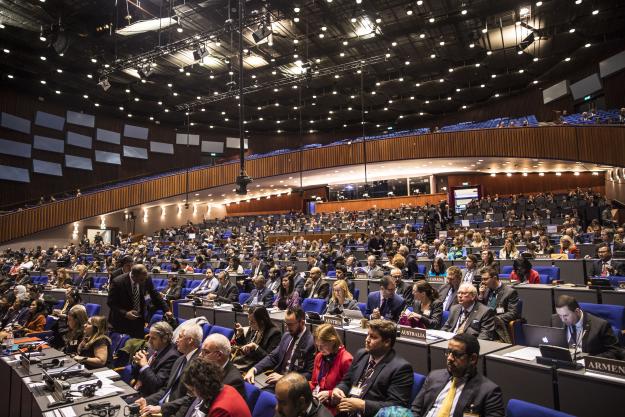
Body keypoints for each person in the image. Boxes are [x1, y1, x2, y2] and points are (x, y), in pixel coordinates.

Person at [331, 320, 414, 417]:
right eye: (368, 335)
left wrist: (363, 405)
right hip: (346, 412)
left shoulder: (401, 368)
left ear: (387, 342)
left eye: (373, 337)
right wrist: (339, 389)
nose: (367, 339)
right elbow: (346, 381)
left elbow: (396, 407)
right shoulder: (361, 354)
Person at [411, 333, 505, 417]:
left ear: (473, 359)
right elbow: (416, 409)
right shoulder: (434, 376)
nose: (450, 358)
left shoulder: (489, 392)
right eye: (448, 352)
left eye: (457, 354)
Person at [136, 321, 203, 417]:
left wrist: (161, 409)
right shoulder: (180, 360)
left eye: (180, 337)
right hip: (160, 406)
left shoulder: (199, 364)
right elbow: (166, 390)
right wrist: (147, 400)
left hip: (173, 412)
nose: (176, 340)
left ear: (190, 340)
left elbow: (190, 398)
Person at [244, 306, 316, 387]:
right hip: (276, 379)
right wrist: (253, 369)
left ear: (302, 323)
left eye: (290, 325)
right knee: (248, 385)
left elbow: (310, 374)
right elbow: (272, 357)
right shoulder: (286, 336)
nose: (287, 328)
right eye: (286, 323)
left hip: (293, 386)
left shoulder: (311, 343)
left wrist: (284, 378)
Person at [107, 263, 171, 339]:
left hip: (138, 320)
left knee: (138, 343)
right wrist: (125, 313)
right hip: (121, 321)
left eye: (145, 279)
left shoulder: (146, 278)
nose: (144, 281)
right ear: (133, 275)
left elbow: (155, 294)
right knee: (124, 346)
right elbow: (111, 303)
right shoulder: (118, 282)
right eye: (141, 280)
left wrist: (166, 310)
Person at [552, 295, 624, 359]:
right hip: (564, 363)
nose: (562, 320)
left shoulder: (601, 325)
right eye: (559, 315)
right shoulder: (555, 321)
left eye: (565, 315)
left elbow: (616, 351)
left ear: (577, 311)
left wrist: (590, 360)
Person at [180, 358, 251, 417]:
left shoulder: (220, 409)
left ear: (201, 387)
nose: (193, 394)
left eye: (192, 390)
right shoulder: (226, 387)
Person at [309, 324, 353, 415]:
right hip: (318, 403)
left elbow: (349, 389)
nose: (319, 349)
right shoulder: (319, 357)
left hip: (336, 409)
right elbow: (314, 383)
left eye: (322, 345)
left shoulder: (346, 360)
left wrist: (329, 393)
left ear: (333, 341)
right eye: (317, 345)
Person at [131, 321, 180, 397]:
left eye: (153, 338)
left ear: (165, 339)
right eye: (149, 337)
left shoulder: (172, 356)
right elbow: (135, 374)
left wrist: (144, 366)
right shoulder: (152, 348)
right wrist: (137, 362)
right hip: (136, 389)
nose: (149, 341)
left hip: (148, 397)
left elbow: (156, 386)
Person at [232, 306, 281, 371]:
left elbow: (270, 358)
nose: (250, 323)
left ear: (262, 321)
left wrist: (256, 347)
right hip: (247, 361)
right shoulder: (254, 328)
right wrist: (241, 334)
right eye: (249, 320)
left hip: (258, 366)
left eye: (253, 321)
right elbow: (245, 346)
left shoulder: (275, 333)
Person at [477, 268, 519, 343]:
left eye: (485, 279)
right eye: (482, 279)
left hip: (497, 326)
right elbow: (479, 308)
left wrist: (494, 319)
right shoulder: (485, 290)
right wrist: (481, 296)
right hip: (483, 323)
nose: (483, 282)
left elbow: (513, 313)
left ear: (494, 278)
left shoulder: (510, 292)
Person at [199, 333, 245, 398]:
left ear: (219, 355)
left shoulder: (234, 381)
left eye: (206, 352)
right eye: (201, 351)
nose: (200, 355)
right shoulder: (205, 367)